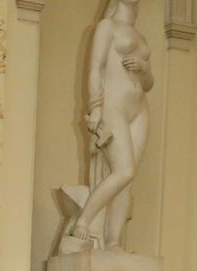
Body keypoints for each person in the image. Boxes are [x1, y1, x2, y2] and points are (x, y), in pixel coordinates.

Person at [64, 0, 153, 251]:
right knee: (124, 171)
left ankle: (114, 241)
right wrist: (96, 107)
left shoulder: (140, 35)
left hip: (140, 109)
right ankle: (82, 222)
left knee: (127, 179)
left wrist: (144, 68)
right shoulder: (107, 26)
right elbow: (95, 66)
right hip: (114, 106)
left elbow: (148, 84)